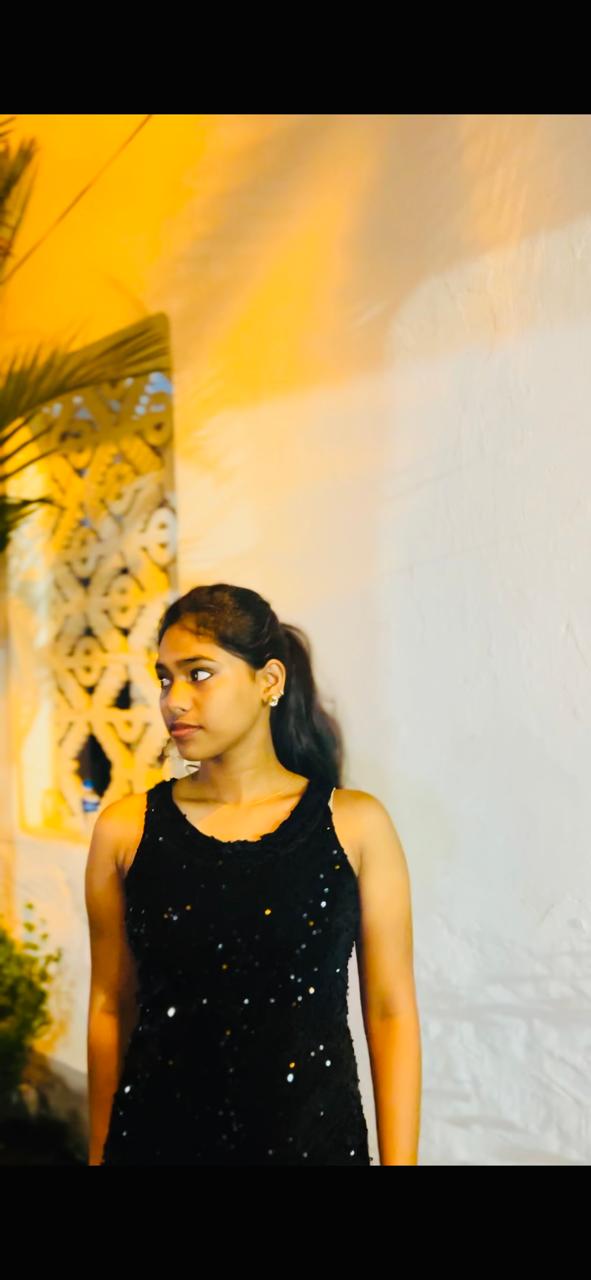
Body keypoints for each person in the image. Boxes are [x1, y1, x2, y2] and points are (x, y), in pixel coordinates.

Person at [85, 583, 422, 1165]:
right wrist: (98, 1155)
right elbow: (111, 1005)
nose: (174, 700)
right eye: (165, 678)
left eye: (199, 674)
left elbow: (391, 1010)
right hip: (157, 1145)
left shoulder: (355, 826)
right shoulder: (125, 831)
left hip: (312, 1147)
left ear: (269, 680)